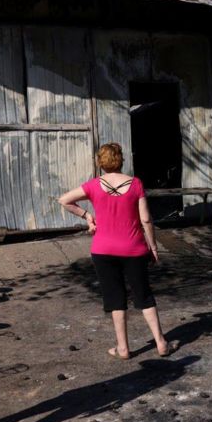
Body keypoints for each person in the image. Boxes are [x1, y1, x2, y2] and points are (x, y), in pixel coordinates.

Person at [58, 143, 175, 360]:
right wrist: (153, 246)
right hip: (134, 249)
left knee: (115, 298)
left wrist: (86, 216)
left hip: (103, 251)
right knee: (144, 296)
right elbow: (146, 219)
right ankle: (161, 343)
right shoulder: (136, 184)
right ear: (121, 160)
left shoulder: (93, 185)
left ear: (100, 162)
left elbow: (64, 200)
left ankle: (123, 348)